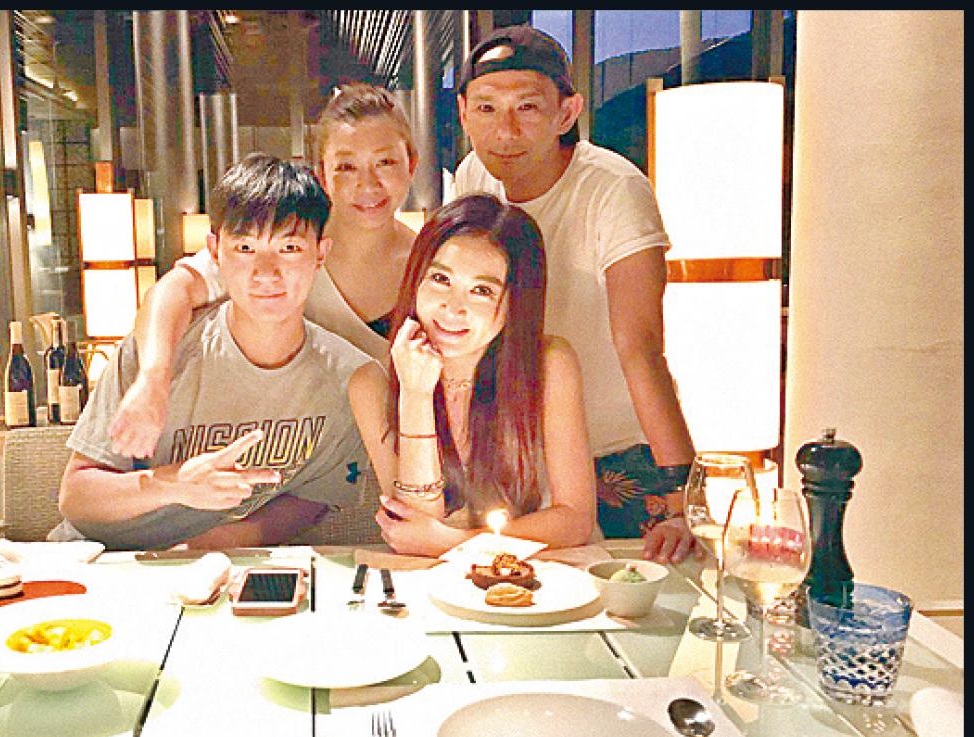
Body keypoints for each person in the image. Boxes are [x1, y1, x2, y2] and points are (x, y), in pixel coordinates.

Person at [453, 26, 697, 563]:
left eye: (528, 108)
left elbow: (640, 346)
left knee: (641, 594)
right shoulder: (474, 176)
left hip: (614, 449)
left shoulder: (613, 189)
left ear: (567, 113)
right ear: (464, 113)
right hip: (520, 450)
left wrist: (683, 492)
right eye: (487, 108)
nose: (506, 131)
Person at [50, 154, 372, 550]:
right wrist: (174, 484)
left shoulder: (347, 379)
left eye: (289, 247)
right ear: (215, 252)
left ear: (320, 253)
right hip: (102, 560)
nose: (266, 272)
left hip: (224, 564)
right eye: (245, 247)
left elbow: (314, 495)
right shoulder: (161, 348)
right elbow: (76, 498)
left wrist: (217, 544)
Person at [108, 83, 418, 458]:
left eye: (385, 163)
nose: (367, 184)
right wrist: (153, 380)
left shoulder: (432, 264)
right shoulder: (285, 246)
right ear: (322, 174)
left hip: (394, 456)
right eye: (346, 167)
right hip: (296, 453)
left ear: (411, 164)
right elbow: (174, 290)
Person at [347, 193, 596, 557]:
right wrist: (416, 395)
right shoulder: (372, 383)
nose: (453, 307)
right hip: (427, 581)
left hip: (539, 572)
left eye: (481, 290)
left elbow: (574, 519)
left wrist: (455, 544)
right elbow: (414, 528)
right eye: (440, 278)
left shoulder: (549, 364)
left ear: (516, 301)